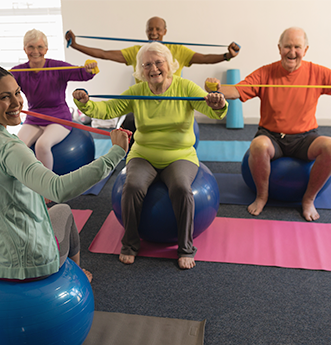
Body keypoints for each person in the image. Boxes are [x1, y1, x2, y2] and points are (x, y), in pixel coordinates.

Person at [0, 64, 129, 281]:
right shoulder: (10, 147)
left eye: (18, 92)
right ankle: (73, 280)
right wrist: (115, 154)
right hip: (24, 261)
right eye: (5, 97)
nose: (17, 102)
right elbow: (58, 189)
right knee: (63, 211)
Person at [207, 27, 331, 221]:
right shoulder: (265, 73)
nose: (292, 52)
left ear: (306, 49)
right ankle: (262, 195)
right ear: (279, 48)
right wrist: (217, 89)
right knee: (257, 145)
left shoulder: (317, 73)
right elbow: (236, 90)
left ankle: (309, 199)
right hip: (271, 136)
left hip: (305, 138)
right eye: (287, 46)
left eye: (297, 47)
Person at [73, 42, 228, 270]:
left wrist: (218, 103)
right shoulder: (137, 91)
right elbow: (108, 110)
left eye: (158, 62)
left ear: (170, 65)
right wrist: (84, 103)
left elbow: (210, 109)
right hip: (144, 153)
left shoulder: (185, 87)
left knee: (182, 189)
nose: (153, 68)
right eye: (147, 64)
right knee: (133, 186)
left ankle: (185, 248)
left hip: (180, 154)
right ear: (140, 70)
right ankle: (130, 244)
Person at [66, 16, 239, 137]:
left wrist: (226, 56)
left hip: (174, 107)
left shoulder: (178, 50)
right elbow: (104, 54)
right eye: (150, 29)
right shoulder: (138, 52)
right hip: (143, 107)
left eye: (158, 29)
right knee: (126, 131)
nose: (154, 32)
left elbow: (204, 58)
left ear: (165, 31)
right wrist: (75, 45)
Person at [11, 29, 98, 174]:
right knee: (17, 146)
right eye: (30, 47)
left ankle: (47, 189)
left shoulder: (56, 67)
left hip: (58, 117)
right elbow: (2, 83)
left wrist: (89, 69)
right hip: (34, 117)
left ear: (46, 49)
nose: (35, 51)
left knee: (42, 145)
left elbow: (81, 73)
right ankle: (24, 183)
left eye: (39, 47)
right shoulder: (19, 71)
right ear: (24, 49)